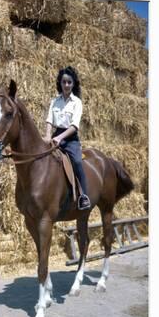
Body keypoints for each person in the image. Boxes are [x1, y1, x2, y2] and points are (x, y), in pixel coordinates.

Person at [44, 66, 91, 210]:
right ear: (60, 83)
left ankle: (84, 196)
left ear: (73, 84)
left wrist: (60, 138)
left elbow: (74, 126)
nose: (66, 85)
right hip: (55, 135)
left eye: (69, 82)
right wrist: (47, 136)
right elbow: (49, 120)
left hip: (70, 138)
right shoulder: (54, 101)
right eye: (64, 82)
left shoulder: (77, 102)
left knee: (77, 161)